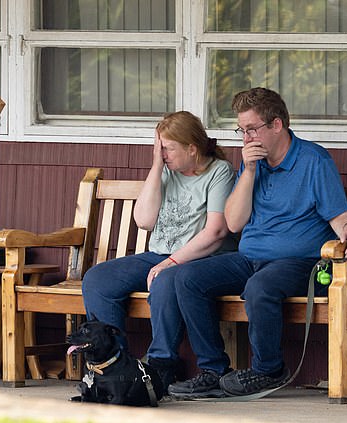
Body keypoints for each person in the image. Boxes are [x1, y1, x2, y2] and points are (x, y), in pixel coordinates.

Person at [165, 88, 347, 399]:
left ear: (276, 125)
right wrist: (249, 172)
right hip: (251, 258)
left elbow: (340, 216)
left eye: (251, 129)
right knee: (187, 278)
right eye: (241, 130)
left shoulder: (314, 161)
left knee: (260, 287)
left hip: (301, 263)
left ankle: (269, 370)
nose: (245, 138)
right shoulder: (251, 162)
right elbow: (234, 223)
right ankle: (214, 370)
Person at [81, 110, 236, 391]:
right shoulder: (166, 171)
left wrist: (172, 262)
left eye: (168, 148)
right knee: (98, 280)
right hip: (157, 256)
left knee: (165, 280)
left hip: (197, 259)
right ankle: (114, 366)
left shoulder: (219, 172)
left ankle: (161, 365)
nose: (163, 153)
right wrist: (156, 165)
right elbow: (144, 220)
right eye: (159, 147)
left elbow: (216, 232)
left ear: (192, 148)